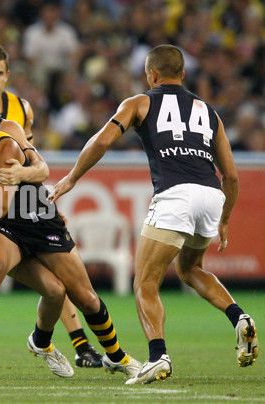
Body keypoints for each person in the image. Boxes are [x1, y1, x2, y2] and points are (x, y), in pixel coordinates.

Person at [48, 44, 259, 384]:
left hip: (176, 194)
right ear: (184, 74)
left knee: (145, 282)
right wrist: (225, 219)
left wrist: (72, 177)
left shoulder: (139, 102)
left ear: (152, 75)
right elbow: (232, 175)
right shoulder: (208, 111)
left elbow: (101, 141)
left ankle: (158, 356)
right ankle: (238, 318)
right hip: (211, 194)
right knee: (190, 269)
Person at [0, 95, 140, 381]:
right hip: (2, 226)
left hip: (37, 218)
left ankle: (114, 356)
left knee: (83, 297)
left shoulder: (4, 146)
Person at [0, 45, 103, 368]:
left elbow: (32, 161)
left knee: (58, 274)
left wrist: (37, 194)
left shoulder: (21, 110)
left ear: (7, 75)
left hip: (24, 202)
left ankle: (81, 344)